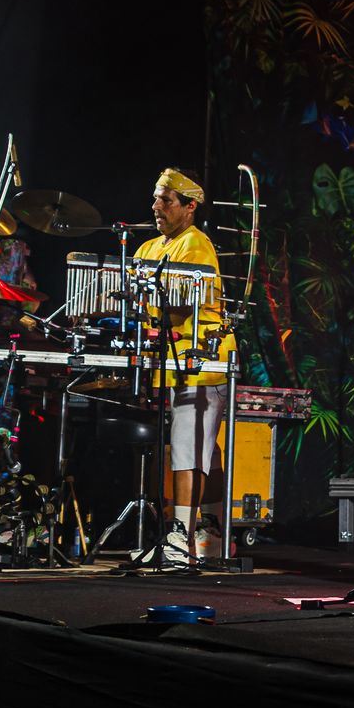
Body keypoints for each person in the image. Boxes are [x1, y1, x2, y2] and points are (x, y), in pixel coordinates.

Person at [131, 166, 236, 566]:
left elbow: (178, 307)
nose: (156, 206)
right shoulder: (147, 248)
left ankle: (181, 537)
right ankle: (210, 531)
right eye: (155, 198)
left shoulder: (196, 245)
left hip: (204, 361)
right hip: (174, 363)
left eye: (166, 199)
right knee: (203, 450)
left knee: (189, 449)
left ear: (189, 207)